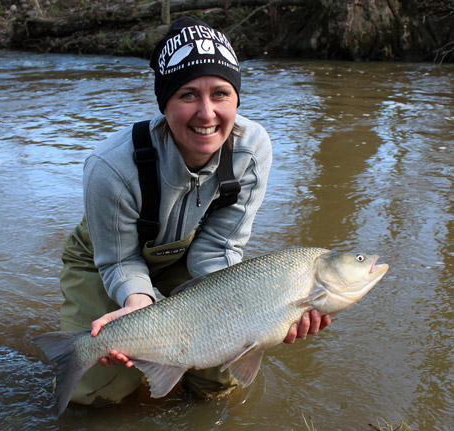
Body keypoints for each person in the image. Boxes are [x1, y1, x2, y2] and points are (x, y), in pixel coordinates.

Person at [59, 16, 331, 407]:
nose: (207, 114)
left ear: (237, 99)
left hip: (189, 252)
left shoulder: (251, 151)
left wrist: (249, 318)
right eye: (187, 95)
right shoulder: (110, 168)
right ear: (164, 104)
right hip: (108, 258)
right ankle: (73, 354)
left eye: (221, 93)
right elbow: (119, 260)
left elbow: (219, 246)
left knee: (219, 378)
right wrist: (139, 307)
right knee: (97, 394)